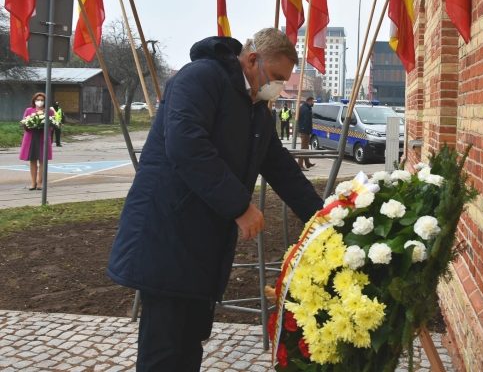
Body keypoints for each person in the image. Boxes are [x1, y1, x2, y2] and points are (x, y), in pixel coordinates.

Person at [107, 28, 324, 371]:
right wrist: (240, 206)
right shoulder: (201, 78)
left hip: (203, 244)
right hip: (167, 235)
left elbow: (283, 170)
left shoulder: (256, 110)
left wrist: (324, 219)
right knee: (163, 350)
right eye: (278, 77)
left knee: (191, 341)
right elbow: (187, 147)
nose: (279, 88)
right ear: (253, 60)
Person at [19, 92, 54, 190]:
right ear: (34, 101)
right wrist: (29, 125)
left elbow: (52, 126)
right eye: (37, 100)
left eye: (42, 100)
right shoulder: (29, 110)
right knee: (32, 160)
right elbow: (24, 123)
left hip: (43, 137)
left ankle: (40, 183)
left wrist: (43, 125)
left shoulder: (49, 111)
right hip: (31, 138)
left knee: (42, 161)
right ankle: (33, 183)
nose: (39, 102)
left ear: (45, 101)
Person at [297, 96, 316, 170]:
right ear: (309, 101)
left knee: (306, 147)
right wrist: (307, 131)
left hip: (305, 131)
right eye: (312, 101)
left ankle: (307, 163)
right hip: (305, 131)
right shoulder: (305, 109)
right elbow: (306, 122)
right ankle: (300, 165)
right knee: (303, 148)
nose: (313, 103)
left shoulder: (305, 108)